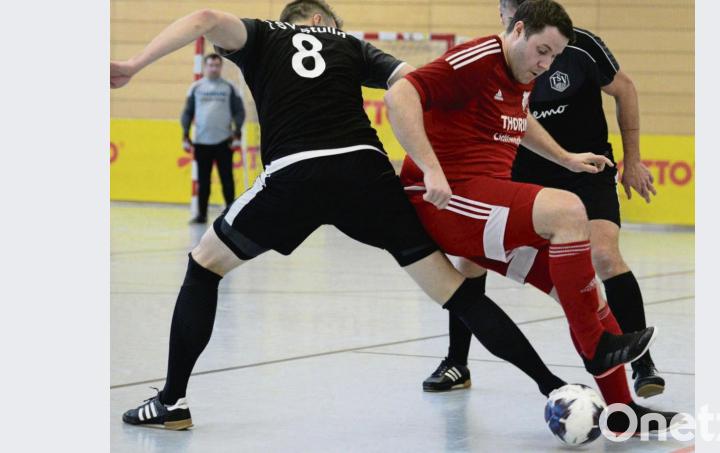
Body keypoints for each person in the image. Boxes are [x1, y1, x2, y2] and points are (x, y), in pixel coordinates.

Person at [109, 0, 651, 431]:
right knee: (457, 292)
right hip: (370, 177)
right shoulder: (352, 45)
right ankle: (551, 384)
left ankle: (173, 399)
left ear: (295, 21)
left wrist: (134, 66)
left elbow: (204, 18)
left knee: (204, 266)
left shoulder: (265, 35)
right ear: (327, 23)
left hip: (298, 171)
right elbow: (411, 81)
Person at [385, 0, 673, 431]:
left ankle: (620, 412)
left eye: (554, 56)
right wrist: (429, 168)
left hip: (483, 199)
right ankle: (595, 347)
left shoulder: (521, 73)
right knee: (568, 210)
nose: (546, 64)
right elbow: (399, 94)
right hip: (447, 200)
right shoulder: (479, 58)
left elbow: (521, 118)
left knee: (584, 293)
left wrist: (566, 158)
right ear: (516, 29)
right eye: (542, 51)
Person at [181, 53, 246, 223]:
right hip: (202, 142)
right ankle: (201, 215)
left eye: (217, 65)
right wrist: (185, 133)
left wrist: (237, 131)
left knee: (227, 180)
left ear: (221, 67)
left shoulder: (229, 88)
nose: (214, 68)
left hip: (224, 142)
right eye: (210, 65)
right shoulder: (196, 88)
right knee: (203, 181)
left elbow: (239, 111)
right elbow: (188, 112)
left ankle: (230, 214)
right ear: (205, 67)